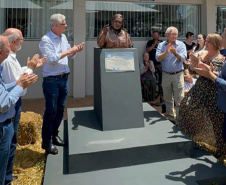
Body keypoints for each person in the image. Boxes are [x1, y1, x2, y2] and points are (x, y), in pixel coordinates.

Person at [1, 28, 46, 185]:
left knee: (11, 141)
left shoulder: (10, 58)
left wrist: (30, 67)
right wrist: (31, 68)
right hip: (11, 104)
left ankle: (7, 175)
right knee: (9, 142)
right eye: (21, 39)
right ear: (13, 42)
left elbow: (16, 79)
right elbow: (18, 83)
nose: (22, 42)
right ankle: (6, 177)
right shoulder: (6, 60)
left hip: (13, 102)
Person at [39, 14, 84, 155]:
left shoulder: (63, 38)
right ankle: (46, 143)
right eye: (64, 23)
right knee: (51, 111)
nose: (66, 25)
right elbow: (52, 59)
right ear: (56, 26)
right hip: (52, 80)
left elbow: (69, 55)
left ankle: (54, 135)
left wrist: (74, 51)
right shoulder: (46, 40)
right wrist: (69, 51)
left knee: (60, 109)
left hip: (63, 78)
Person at [178, 33, 225, 158]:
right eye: (207, 41)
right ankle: (198, 140)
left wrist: (200, 67)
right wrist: (193, 63)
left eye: (209, 41)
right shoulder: (203, 54)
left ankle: (217, 149)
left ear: (215, 43)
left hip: (211, 91)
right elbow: (193, 69)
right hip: (199, 88)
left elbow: (211, 75)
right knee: (187, 108)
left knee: (213, 119)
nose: (206, 43)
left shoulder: (221, 58)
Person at [156, 26, 187, 121]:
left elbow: (183, 58)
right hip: (166, 74)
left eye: (176, 34)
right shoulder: (161, 45)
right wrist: (166, 52)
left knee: (179, 98)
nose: (174, 36)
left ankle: (179, 119)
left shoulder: (181, 45)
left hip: (178, 74)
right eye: (172, 34)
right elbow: (158, 58)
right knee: (167, 96)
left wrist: (175, 53)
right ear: (166, 35)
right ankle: (171, 117)